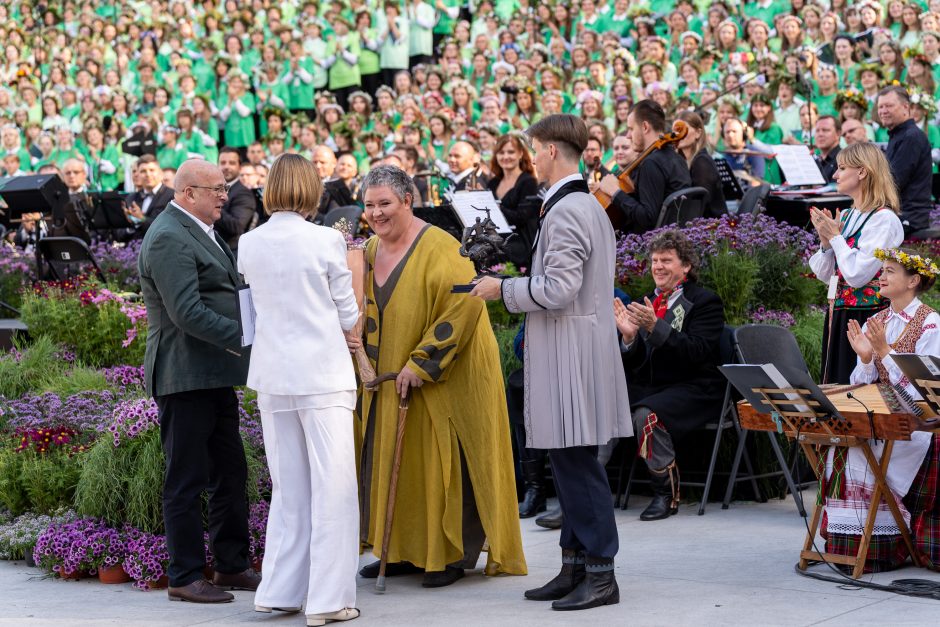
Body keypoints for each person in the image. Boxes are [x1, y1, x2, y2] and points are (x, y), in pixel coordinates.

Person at [472, 115, 630, 611]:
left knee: (578, 466)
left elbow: (558, 290)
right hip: (574, 349)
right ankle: (575, 567)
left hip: (570, 353)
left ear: (552, 152)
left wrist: (503, 289)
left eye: (534, 150)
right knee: (568, 464)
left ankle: (601, 575)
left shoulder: (568, 209)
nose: (529, 158)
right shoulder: (578, 204)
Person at [356, 165, 525, 588]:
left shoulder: (443, 247)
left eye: (385, 204)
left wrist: (422, 362)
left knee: (442, 466)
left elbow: (463, 306)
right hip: (391, 380)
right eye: (370, 205)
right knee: (401, 463)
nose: (376, 213)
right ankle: (399, 551)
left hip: (447, 375)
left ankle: (448, 556)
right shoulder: (371, 250)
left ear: (408, 201)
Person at [236, 154, 361, 624]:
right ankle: (329, 600)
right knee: (333, 487)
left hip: (273, 375)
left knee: (289, 486)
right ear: (311, 187)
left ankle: (282, 590)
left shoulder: (249, 242)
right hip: (322, 374)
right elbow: (347, 314)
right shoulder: (327, 238)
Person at [137, 159, 259, 604]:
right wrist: (247, 337)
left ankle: (230, 566)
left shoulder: (199, 228)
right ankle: (184, 575)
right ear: (188, 193)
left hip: (213, 373)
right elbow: (186, 313)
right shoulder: (169, 235)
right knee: (186, 480)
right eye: (217, 190)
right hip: (185, 375)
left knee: (230, 473)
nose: (225, 197)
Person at [822, 246, 940, 572]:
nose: (881, 276)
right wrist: (864, 358)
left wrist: (885, 352)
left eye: (890, 271)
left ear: (913, 279)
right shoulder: (877, 320)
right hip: (879, 414)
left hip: (918, 423)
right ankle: (852, 547)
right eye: (882, 270)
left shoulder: (930, 323)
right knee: (845, 448)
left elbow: (924, 385)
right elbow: (863, 383)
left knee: (862, 451)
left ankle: (879, 550)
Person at [614, 230, 726, 521]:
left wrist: (655, 327)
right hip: (658, 385)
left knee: (646, 415)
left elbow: (696, 352)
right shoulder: (648, 300)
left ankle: (666, 494)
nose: (658, 266)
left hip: (697, 386)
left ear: (685, 266)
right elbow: (640, 362)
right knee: (605, 400)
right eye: (654, 260)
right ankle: (590, 489)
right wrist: (629, 340)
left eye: (666, 259)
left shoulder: (705, 302)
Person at [809, 142, 905, 384]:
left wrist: (835, 237)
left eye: (842, 168)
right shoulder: (850, 215)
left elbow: (857, 275)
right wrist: (826, 243)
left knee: (861, 389)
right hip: (839, 312)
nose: (835, 174)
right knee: (836, 383)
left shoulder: (884, 220)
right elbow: (824, 274)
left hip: (869, 314)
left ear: (862, 172)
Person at [596, 100, 690, 234]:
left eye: (631, 129)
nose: (628, 136)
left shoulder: (651, 163)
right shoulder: (677, 158)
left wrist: (615, 192)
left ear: (645, 127)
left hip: (656, 244)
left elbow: (647, 218)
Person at [877, 85, 932, 235]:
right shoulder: (899, 134)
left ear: (905, 107)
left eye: (889, 105)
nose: (883, 111)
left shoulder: (911, 137)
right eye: (880, 106)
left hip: (909, 216)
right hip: (898, 213)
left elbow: (893, 182)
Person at [486, 133, 540, 266]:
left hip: (519, 246)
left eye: (511, 152)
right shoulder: (492, 183)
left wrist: (498, 209)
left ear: (520, 154)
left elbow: (522, 218)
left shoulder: (528, 182)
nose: (505, 157)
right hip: (495, 242)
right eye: (501, 153)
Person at [675, 110, 726, 218]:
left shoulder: (702, 163)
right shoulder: (682, 161)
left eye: (684, 129)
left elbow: (700, 206)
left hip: (712, 229)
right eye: (677, 130)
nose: (679, 134)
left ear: (698, 133)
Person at [215, 147, 257, 252]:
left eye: (232, 163)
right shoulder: (213, 189)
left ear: (239, 167)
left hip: (231, 252)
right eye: (223, 162)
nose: (226, 167)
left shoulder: (244, 193)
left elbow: (237, 226)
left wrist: (213, 205)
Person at [125, 155, 175, 239]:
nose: (148, 174)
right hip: (133, 247)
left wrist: (142, 219)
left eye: (152, 170)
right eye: (143, 171)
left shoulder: (172, 196)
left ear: (160, 173)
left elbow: (168, 228)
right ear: (138, 175)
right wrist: (129, 224)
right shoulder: (131, 198)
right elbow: (120, 232)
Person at [814, 115, 842, 182]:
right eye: (817, 131)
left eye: (825, 130)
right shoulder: (815, 160)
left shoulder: (845, 159)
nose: (820, 134)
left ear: (838, 134)